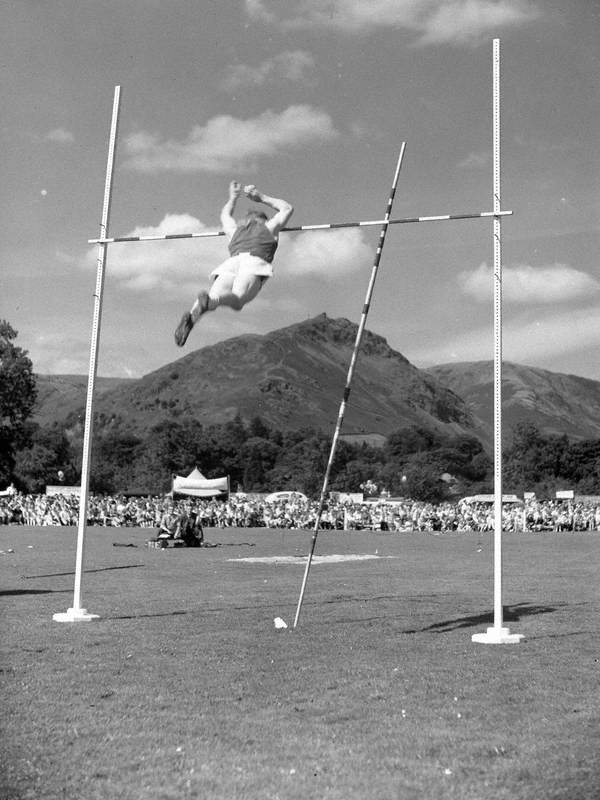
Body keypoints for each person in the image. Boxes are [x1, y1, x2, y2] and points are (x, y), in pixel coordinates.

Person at [174, 181, 294, 347]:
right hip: (254, 263)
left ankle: (194, 316)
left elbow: (225, 216)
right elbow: (287, 208)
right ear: (262, 220)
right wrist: (260, 197)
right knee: (237, 301)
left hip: (231, 263)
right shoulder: (268, 227)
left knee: (213, 299)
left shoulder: (235, 231)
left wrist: (233, 197)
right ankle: (207, 302)